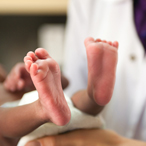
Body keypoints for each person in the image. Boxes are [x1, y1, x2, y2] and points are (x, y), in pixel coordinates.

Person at [0, 37, 118, 146]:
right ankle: (92, 98)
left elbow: (65, 83)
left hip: (68, 115)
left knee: (74, 101)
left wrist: (40, 76)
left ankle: (93, 96)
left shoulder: (13, 85)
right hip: (24, 132)